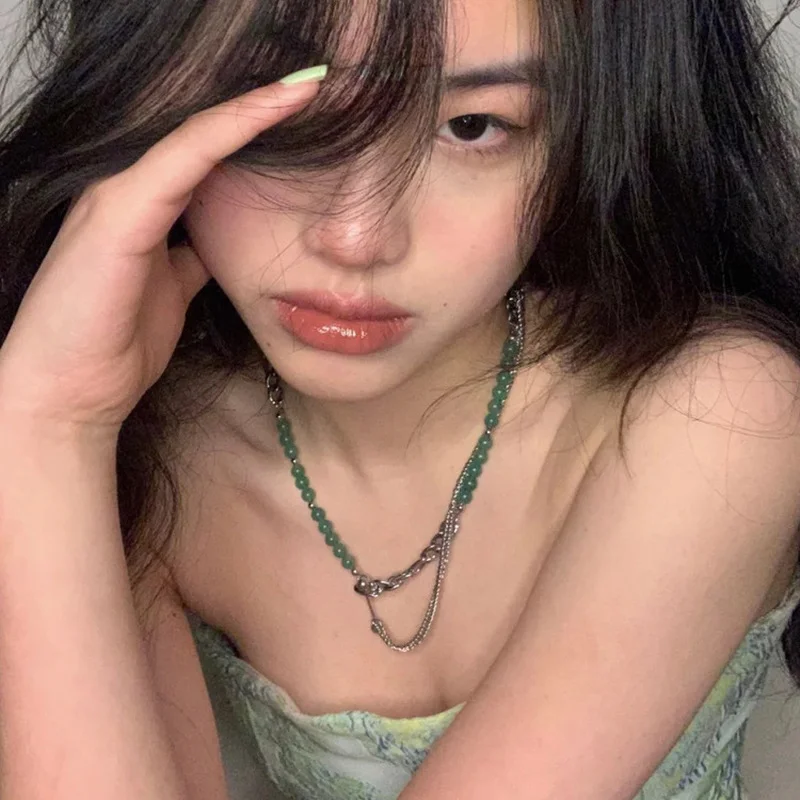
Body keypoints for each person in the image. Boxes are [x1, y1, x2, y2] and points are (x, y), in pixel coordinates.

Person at [2, 0, 800, 797]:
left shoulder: (720, 413)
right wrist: (48, 424)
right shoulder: (157, 443)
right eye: (291, 107)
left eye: (474, 127)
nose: (358, 238)